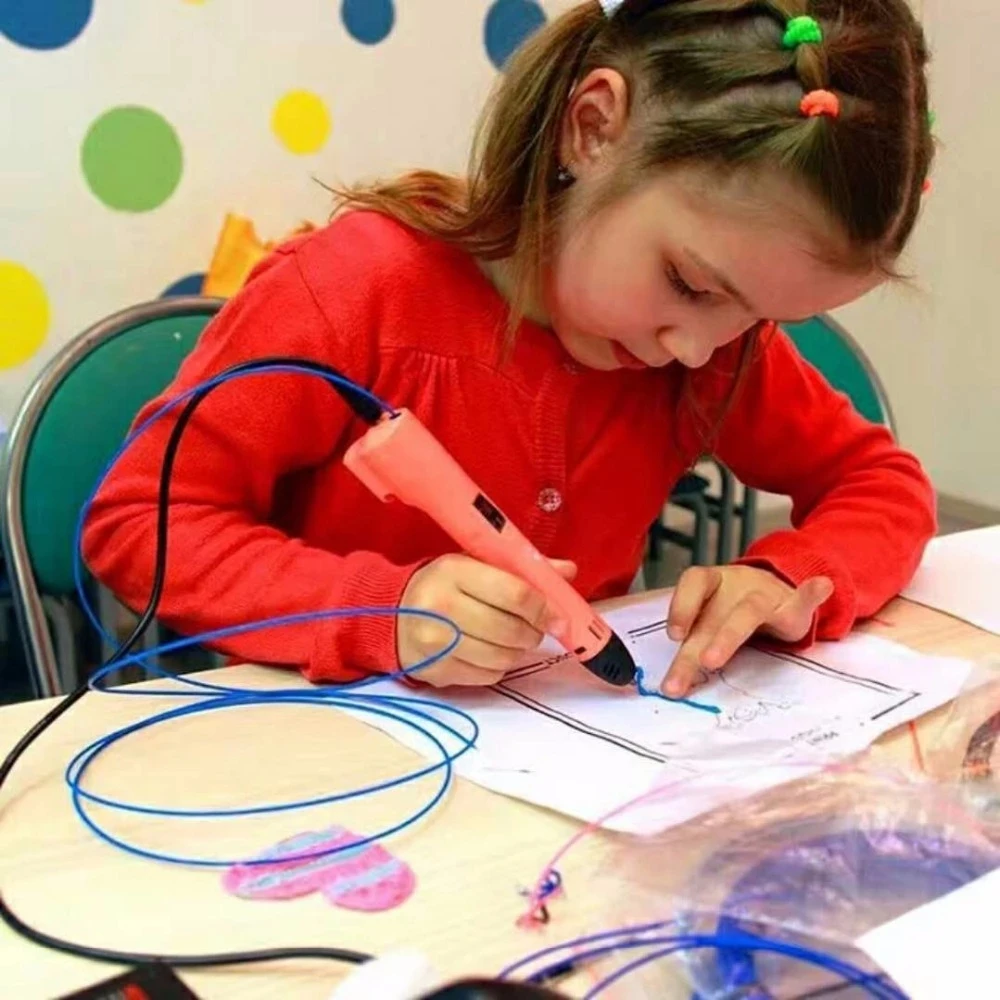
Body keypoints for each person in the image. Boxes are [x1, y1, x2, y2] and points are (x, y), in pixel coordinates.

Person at [84, 0, 936, 699]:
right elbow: (138, 525)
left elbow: (882, 483)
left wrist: (791, 576)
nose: (695, 348)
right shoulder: (357, 291)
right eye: (687, 282)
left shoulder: (714, 347)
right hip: (318, 763)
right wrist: (385, 611)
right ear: (592, 129)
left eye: (758, 317)